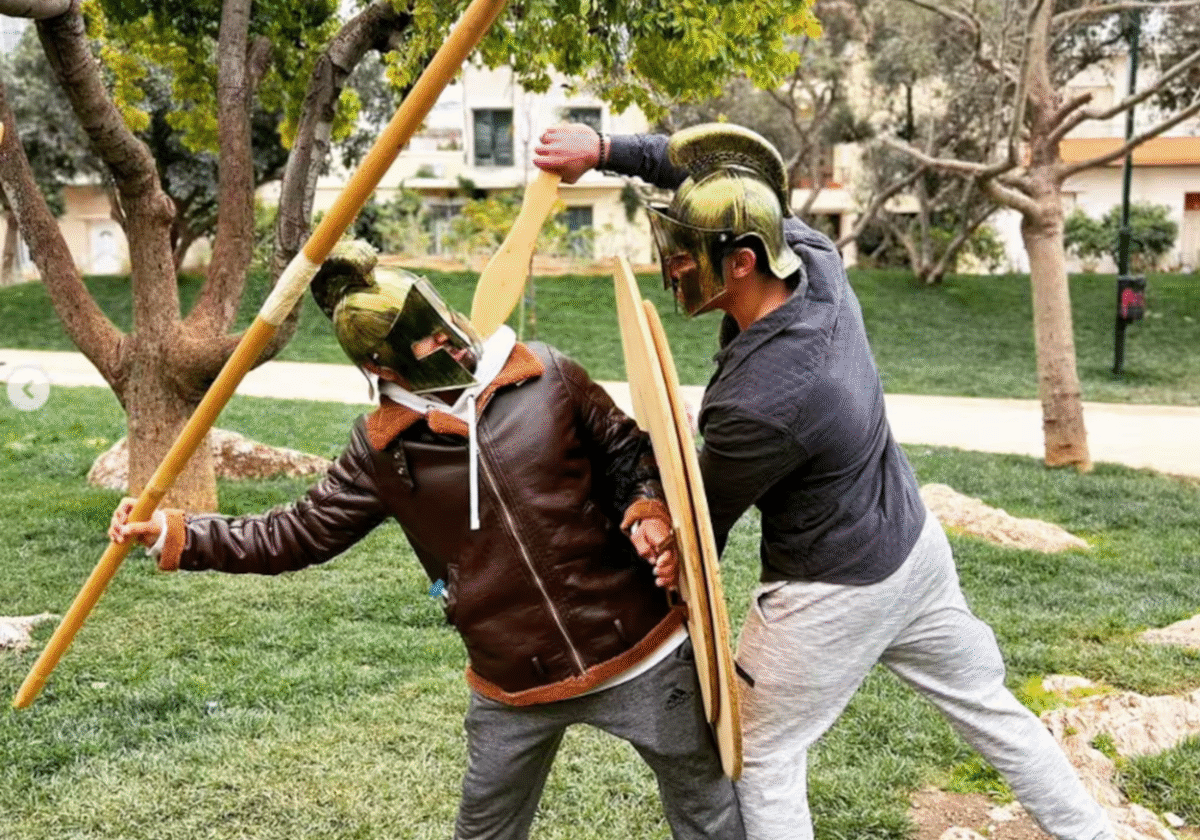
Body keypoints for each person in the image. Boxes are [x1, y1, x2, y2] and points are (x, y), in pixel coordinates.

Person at [533, 122, 1115, 840]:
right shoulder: (811, 255)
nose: (673, 265)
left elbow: (699, 524)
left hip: (832, 593)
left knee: (764, 752)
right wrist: (604, 151)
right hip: (913, 550)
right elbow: (717, 166)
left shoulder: (763, 402)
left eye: (685, 254)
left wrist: (653, 501)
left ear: (741, 262)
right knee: (990, 708)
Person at [109, 240, 742, 840]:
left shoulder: (547, 374)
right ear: (378, 365)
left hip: (638, 647)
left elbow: (627, 450)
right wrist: (177, 532)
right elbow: (294, 534)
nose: (451, 345)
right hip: (512, 678)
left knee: (708, 812)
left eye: (444, 324)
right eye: (428, 341)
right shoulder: (381, 450)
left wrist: (647, 507)